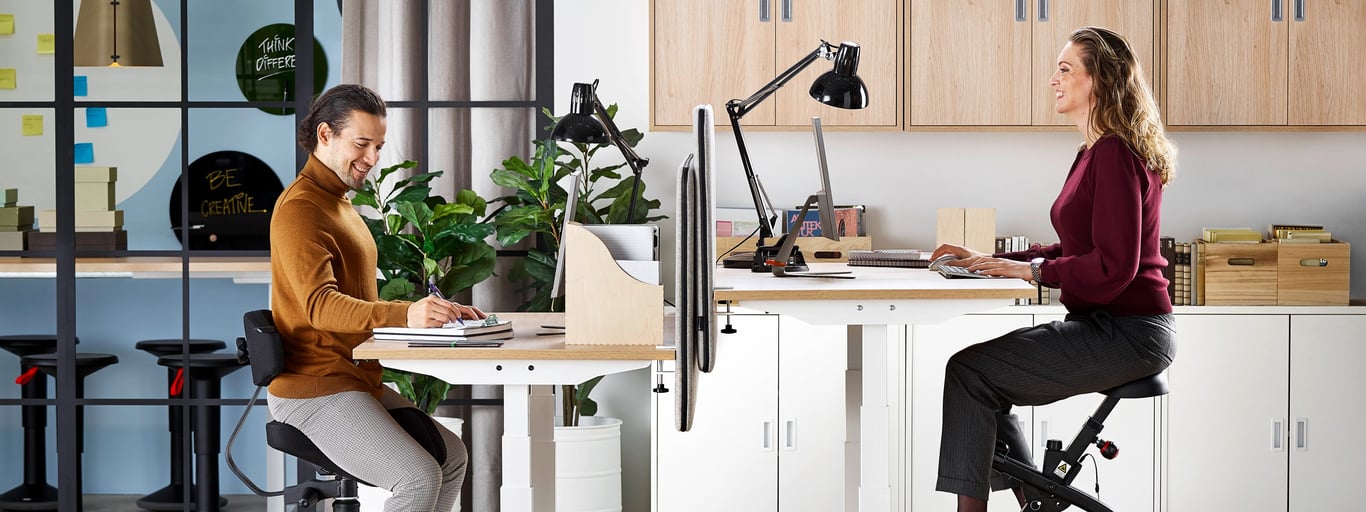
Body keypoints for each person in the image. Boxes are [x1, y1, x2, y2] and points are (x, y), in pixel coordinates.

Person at [930, 27, 1178, 512]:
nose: (1053, 80)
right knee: (978, 375)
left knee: (969, 373)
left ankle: (1018, 505)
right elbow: (1077, 246)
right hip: (1111, 327)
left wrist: (1035, 273)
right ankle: (1033, 505)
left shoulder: (1114, 152)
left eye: (1065, 70)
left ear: (1099, 81)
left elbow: (1113, 267)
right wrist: (993, 260)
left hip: (1129, 334)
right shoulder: (1093, 152)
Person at [267, 83, 481, 511]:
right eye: (362, 144)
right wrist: (407, 314)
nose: (372, 159)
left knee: (452, 457)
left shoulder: (339, 203)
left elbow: (356, 300)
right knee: (417, 479)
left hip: (355, 379)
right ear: (325, 135)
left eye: (378, 146)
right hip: (315, 388)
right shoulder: (300, 209)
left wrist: (437, 313)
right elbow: (320, 306)